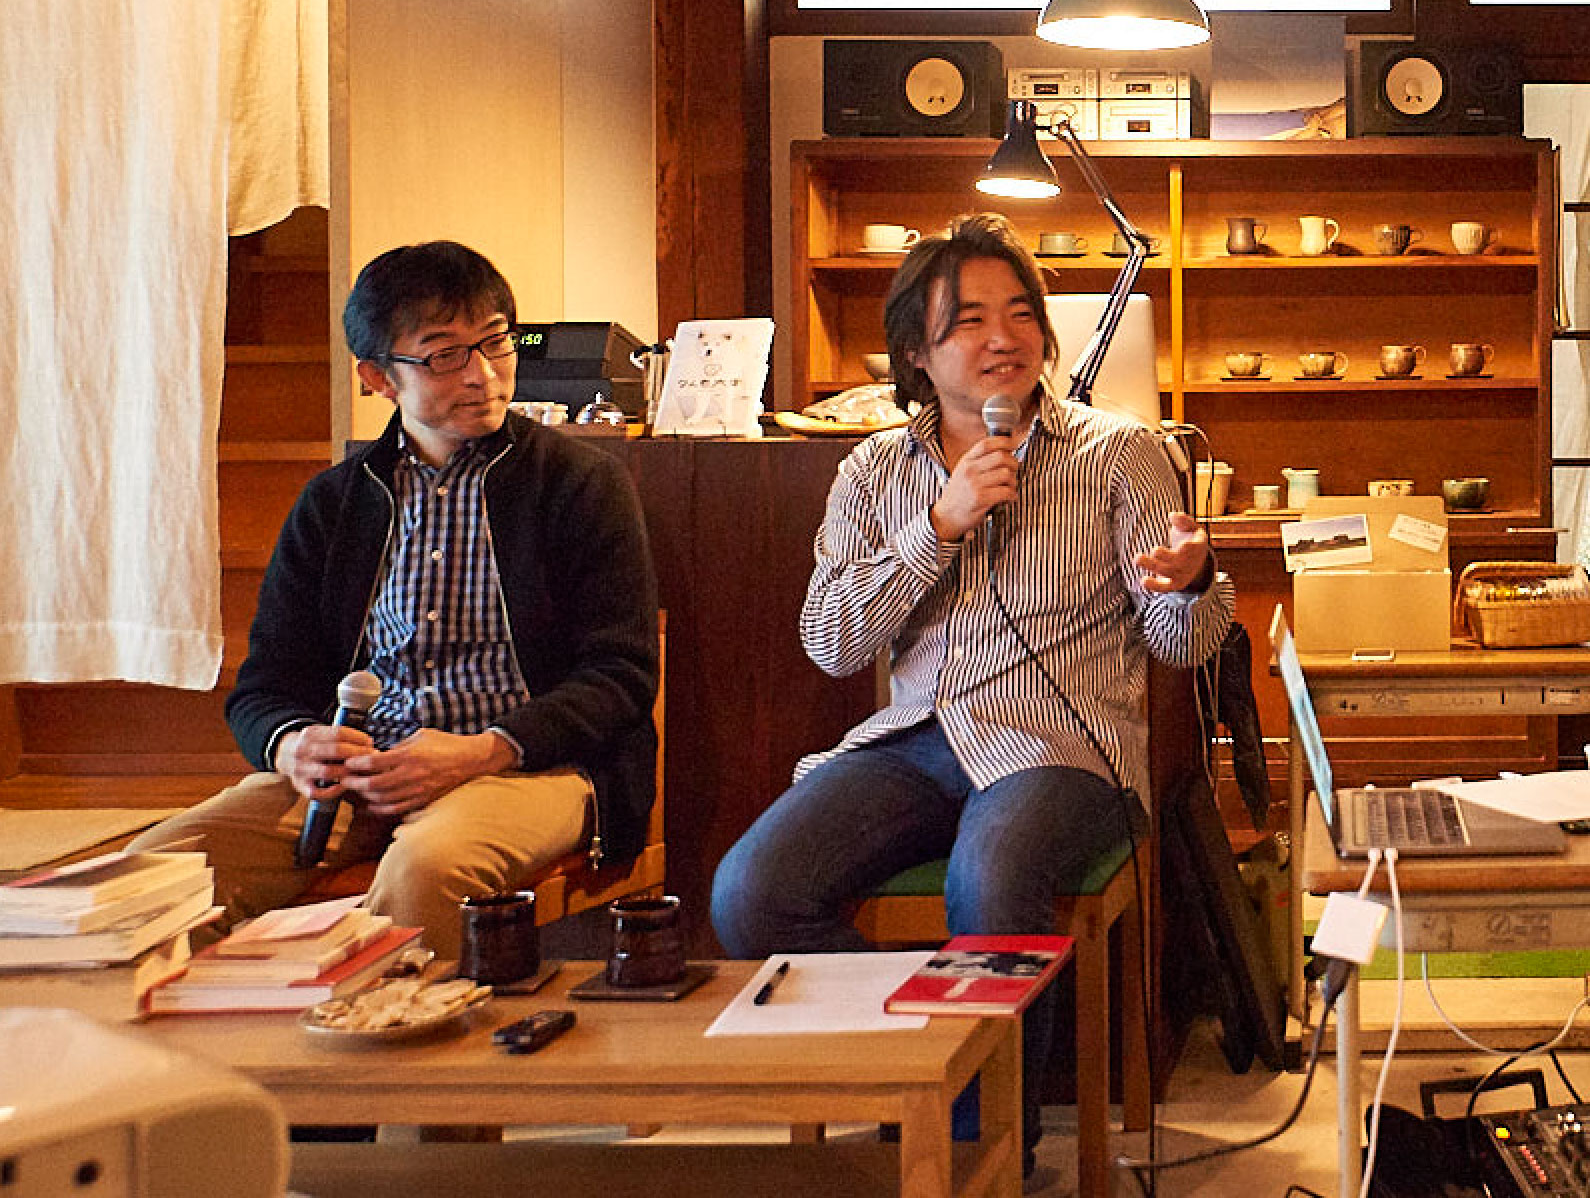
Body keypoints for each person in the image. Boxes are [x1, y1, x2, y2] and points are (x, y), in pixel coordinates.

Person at [710, 212, 1233, 1179]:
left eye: (1021, 313)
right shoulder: (873, 468)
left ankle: (977, 1160)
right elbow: (831, 645)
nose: (1003, 338)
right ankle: (922, 1077)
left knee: (989, 879)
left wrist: (1193, 584)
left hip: (1065, 749)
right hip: (915, 739)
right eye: (969, 320)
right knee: (752, 893)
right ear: (915, 350)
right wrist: (938, 529)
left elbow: (1181, 645)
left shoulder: (1121, 453)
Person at [132, 241, 659, 959]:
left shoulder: (578, 483)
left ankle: (388, 1029)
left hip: (528, 767)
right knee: (154, 876)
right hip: (360, 776)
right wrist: (292, 744)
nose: (482, 375)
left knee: (426, 869)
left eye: (496, 343)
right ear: (378, 377)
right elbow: (264, 686)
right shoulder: (334, 503)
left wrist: (480, 752)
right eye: (443, 356)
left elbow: (621, 676)